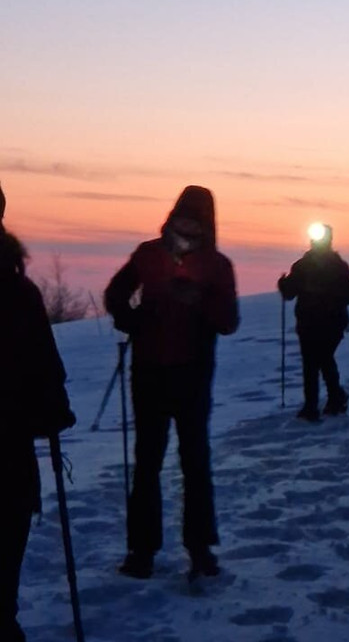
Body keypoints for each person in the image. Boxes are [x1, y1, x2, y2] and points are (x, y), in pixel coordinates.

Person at [105, 185, 239, 580]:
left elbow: (229, 322)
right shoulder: (148, 254)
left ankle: (200, 549)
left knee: (194, 461)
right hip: (148, 371)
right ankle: (141, 551)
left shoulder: (217, 265)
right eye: (183, 216)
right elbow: (116, 293)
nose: (187, 224)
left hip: (193, 374)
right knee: (147, 461)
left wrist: (200, 302)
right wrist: (131, 320)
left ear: (207, 223)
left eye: (195, 219)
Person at [0, 184, 76, 642]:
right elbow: (45, 369)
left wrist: (51, 406)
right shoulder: (16, 288)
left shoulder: (17, 289)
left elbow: (45, 369)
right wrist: (50, 408)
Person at [278, 223, 349, 421]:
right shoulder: (308, 265)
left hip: (328, 321)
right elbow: (290, 293)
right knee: (317, 361)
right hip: (312, 322)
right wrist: (284, 285)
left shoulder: (333, 266)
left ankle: (322, 402)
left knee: (318, 359)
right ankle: (326, 400)